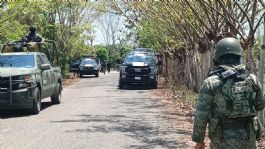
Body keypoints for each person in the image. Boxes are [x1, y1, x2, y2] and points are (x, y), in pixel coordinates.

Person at [192, 37, 265, 149]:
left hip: (221, 139)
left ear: (217, 58)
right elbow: (260, 106)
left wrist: (199, 140)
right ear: (239, 57)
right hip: (248, 138)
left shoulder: (211, 82)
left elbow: (201, 114)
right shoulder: (252, 79)